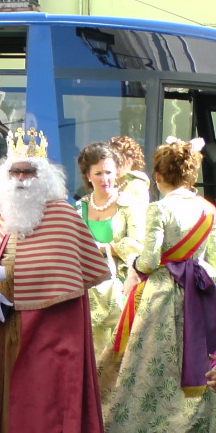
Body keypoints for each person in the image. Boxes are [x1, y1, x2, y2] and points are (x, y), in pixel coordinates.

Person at [0, 127, 114, 433]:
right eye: (16, 173)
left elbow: (59, 269)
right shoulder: (7, 214)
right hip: (13, 328)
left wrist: (4, 274)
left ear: (44, 176)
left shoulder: (61, 214)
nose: (21, 180)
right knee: (13, 405)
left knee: (45, 408)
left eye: (29, 173)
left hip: (51, 331)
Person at [100, 137, 216, 433]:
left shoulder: (159, 209)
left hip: (164, 297)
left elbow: (150, 259)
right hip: (205, 294)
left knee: (149, 377)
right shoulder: (208, 209)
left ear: (158, 176)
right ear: (191, 174)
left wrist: (137, 266)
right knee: (202, 371)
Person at [74, 142, 145, 355]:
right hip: (85, 291)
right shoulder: (79, 208)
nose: (105, 179)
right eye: (98, 173)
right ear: (87, 175)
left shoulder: (130, 204)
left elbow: (140, 247)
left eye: (109, 172)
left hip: (120, 290)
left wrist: (110, 248)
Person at [109, 135, 151, 207]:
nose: (112, 165)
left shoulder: (137, 185)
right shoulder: (117, 185)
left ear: (129, 161)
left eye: (117, 161)